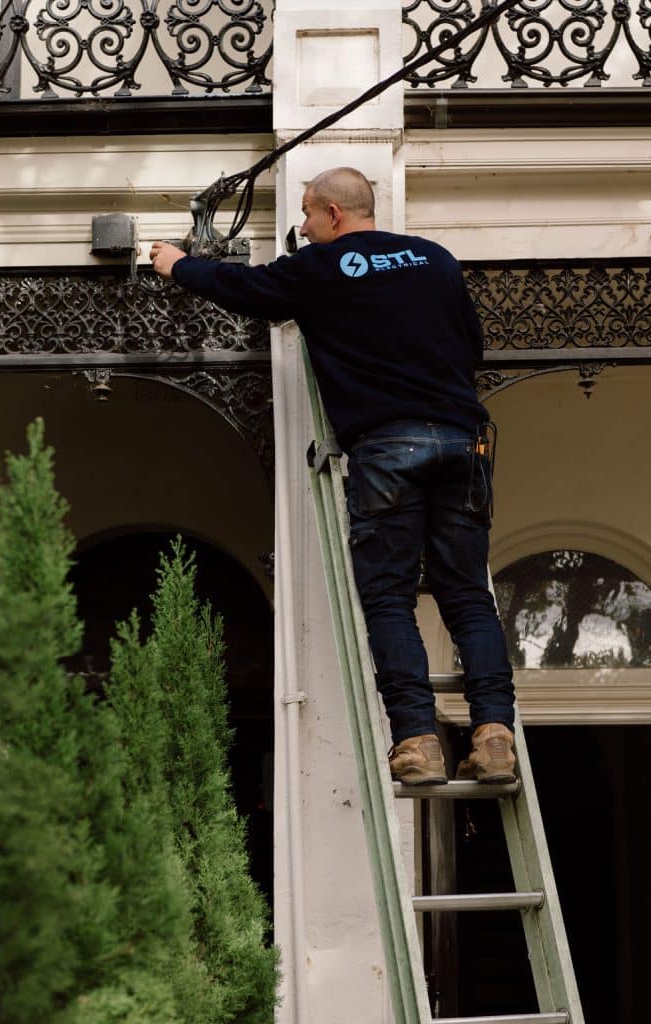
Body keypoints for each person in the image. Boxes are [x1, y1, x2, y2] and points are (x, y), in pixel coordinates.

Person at [150, 166, 515, 786]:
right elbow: (472, 346)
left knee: (390, 598)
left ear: (333, 215)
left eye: (307, 214)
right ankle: (494, 736)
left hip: (387, 448)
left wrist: (176, 264)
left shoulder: (320, 268)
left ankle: (419, 744)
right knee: (467, 597)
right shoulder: (437, 259)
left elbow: (242, 286)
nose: (303, 225)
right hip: (461, 442)